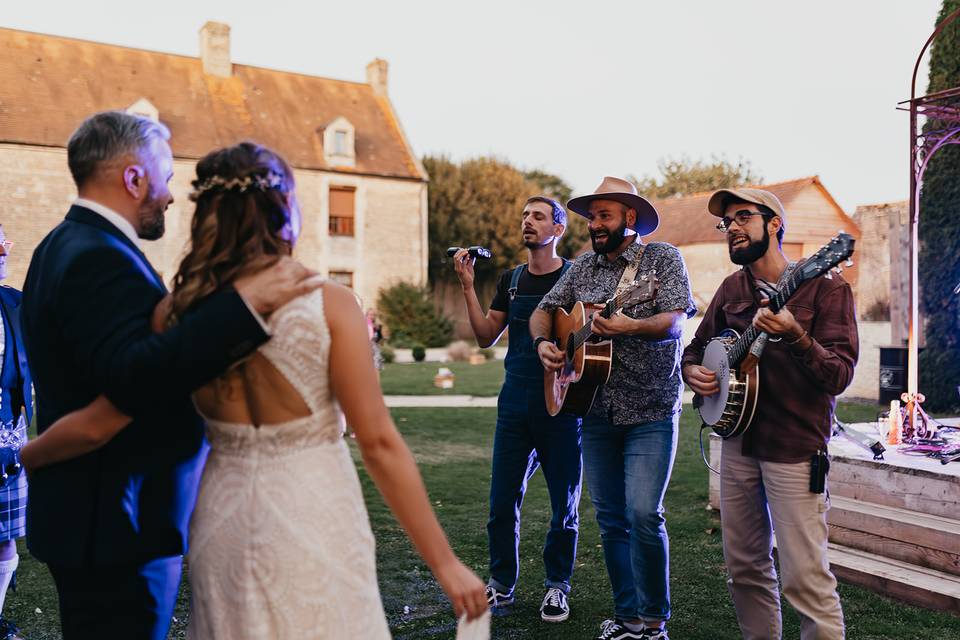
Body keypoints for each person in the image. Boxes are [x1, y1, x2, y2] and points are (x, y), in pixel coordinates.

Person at [21, 141, 488, 639]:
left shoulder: (174, 314)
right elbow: (378, 442)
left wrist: (30, 453)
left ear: (208, 217)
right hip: (313, 506)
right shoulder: (330, 303)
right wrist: (445, 563)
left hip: (221, 517)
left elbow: (104, 419)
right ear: (284, 210)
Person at [19, 112, 325, 640]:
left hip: (95, 519)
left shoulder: (62, 244)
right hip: (118, 525)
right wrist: (243, 311)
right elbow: (134, 378)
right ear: (134, 178)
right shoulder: (97, 257)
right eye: (164, 177)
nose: (171, 194)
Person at [682, 189, 856, 640]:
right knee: (745, 569)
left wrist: (796, 333)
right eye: (727, 222)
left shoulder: (827, 286)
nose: (733, 228)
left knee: (805, 577)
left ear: (774, 224)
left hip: (794, 449)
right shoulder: (732, 289)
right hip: (737, 443)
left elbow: (838, 375)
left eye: (743, 217)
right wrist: (694, 372)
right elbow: (697, 348)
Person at [529, 177, 696, 640]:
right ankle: (627, 620)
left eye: (604, 216)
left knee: (644, 514)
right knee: (610, 518)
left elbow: (675, 320)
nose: (595, 225)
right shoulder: (582, 267)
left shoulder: (661, 259)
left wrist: (630, 326)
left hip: (650, 408)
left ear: (629, 217)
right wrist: (546, 342)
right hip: (596, 410)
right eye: (591, 217)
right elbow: (544, 310)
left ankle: (655, 622)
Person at [452, 196, 582, 623]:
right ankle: (501, 583)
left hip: (561, 408)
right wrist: (469, 286)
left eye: (538, 216)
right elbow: (487, 335)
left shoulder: (574, 278)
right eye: (525, 216)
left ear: (558, 229)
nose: (528, 221)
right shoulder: (511, 280)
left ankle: (557, 587)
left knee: (564, 504)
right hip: (514, 404)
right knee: (502, 501)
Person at [0, 226, 31, 640]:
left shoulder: (16, 304)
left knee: (5, 544)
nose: (5, 248)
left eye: (5, 240)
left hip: (9, 445)